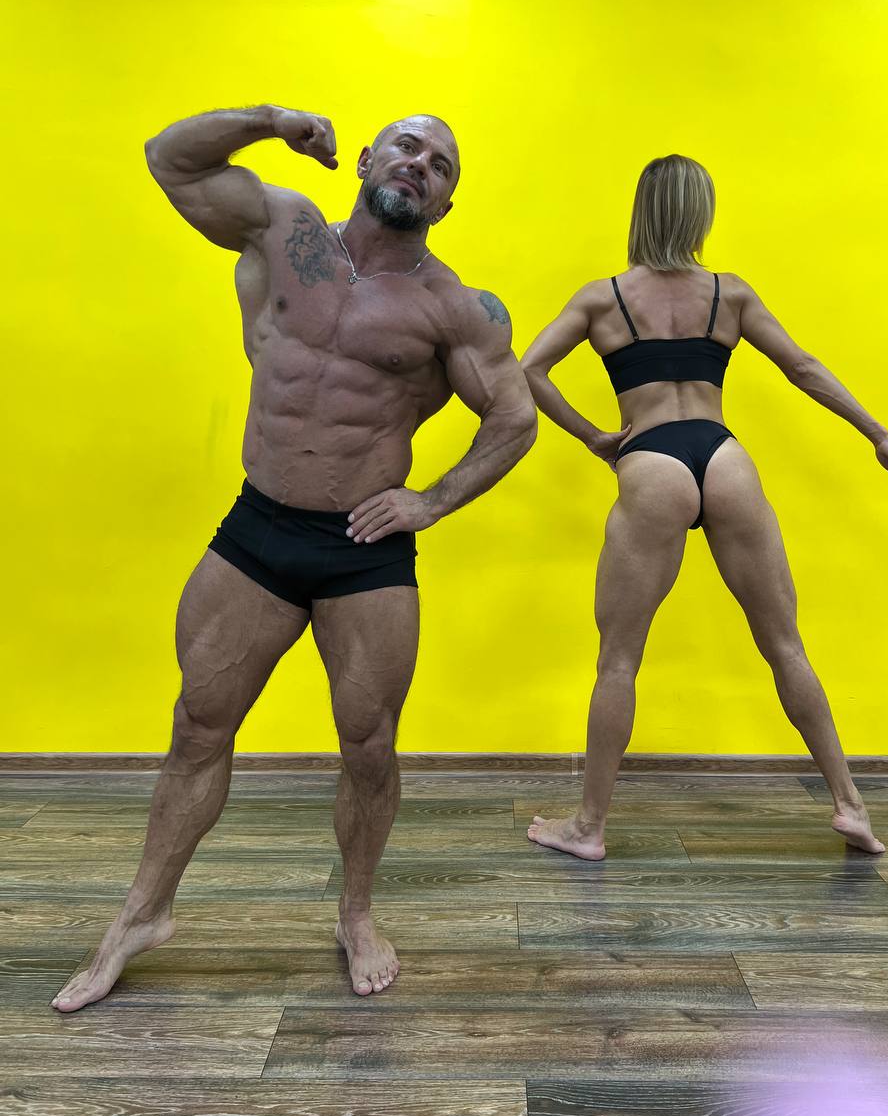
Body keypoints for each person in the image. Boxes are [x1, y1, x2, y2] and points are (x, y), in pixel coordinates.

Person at [51, 106, 536, 1012]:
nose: (420, 165)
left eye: (440, 164)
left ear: (446, 203)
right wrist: (272, 122)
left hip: (362, 551)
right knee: (198, 727)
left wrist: (429, 501)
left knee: (369, 746)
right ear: (367, 158)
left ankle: (356, 913)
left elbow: (514, 419)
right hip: (259, 531)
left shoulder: (451, 307)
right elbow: (168, 160)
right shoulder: (284, 228)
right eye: (407, 146)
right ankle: (141, 915)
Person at [522, 154, 888, 861]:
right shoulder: (728, 294)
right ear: (699, 214)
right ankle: (850, 805)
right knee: (785, 644)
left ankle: (588, 828)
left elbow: (528, 368)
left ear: (641, 212)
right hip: (724, 457)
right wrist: (879, 434)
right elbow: (802, 367)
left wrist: (592, 436)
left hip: (652, 462)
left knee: (618, 661)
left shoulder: (602, 299)